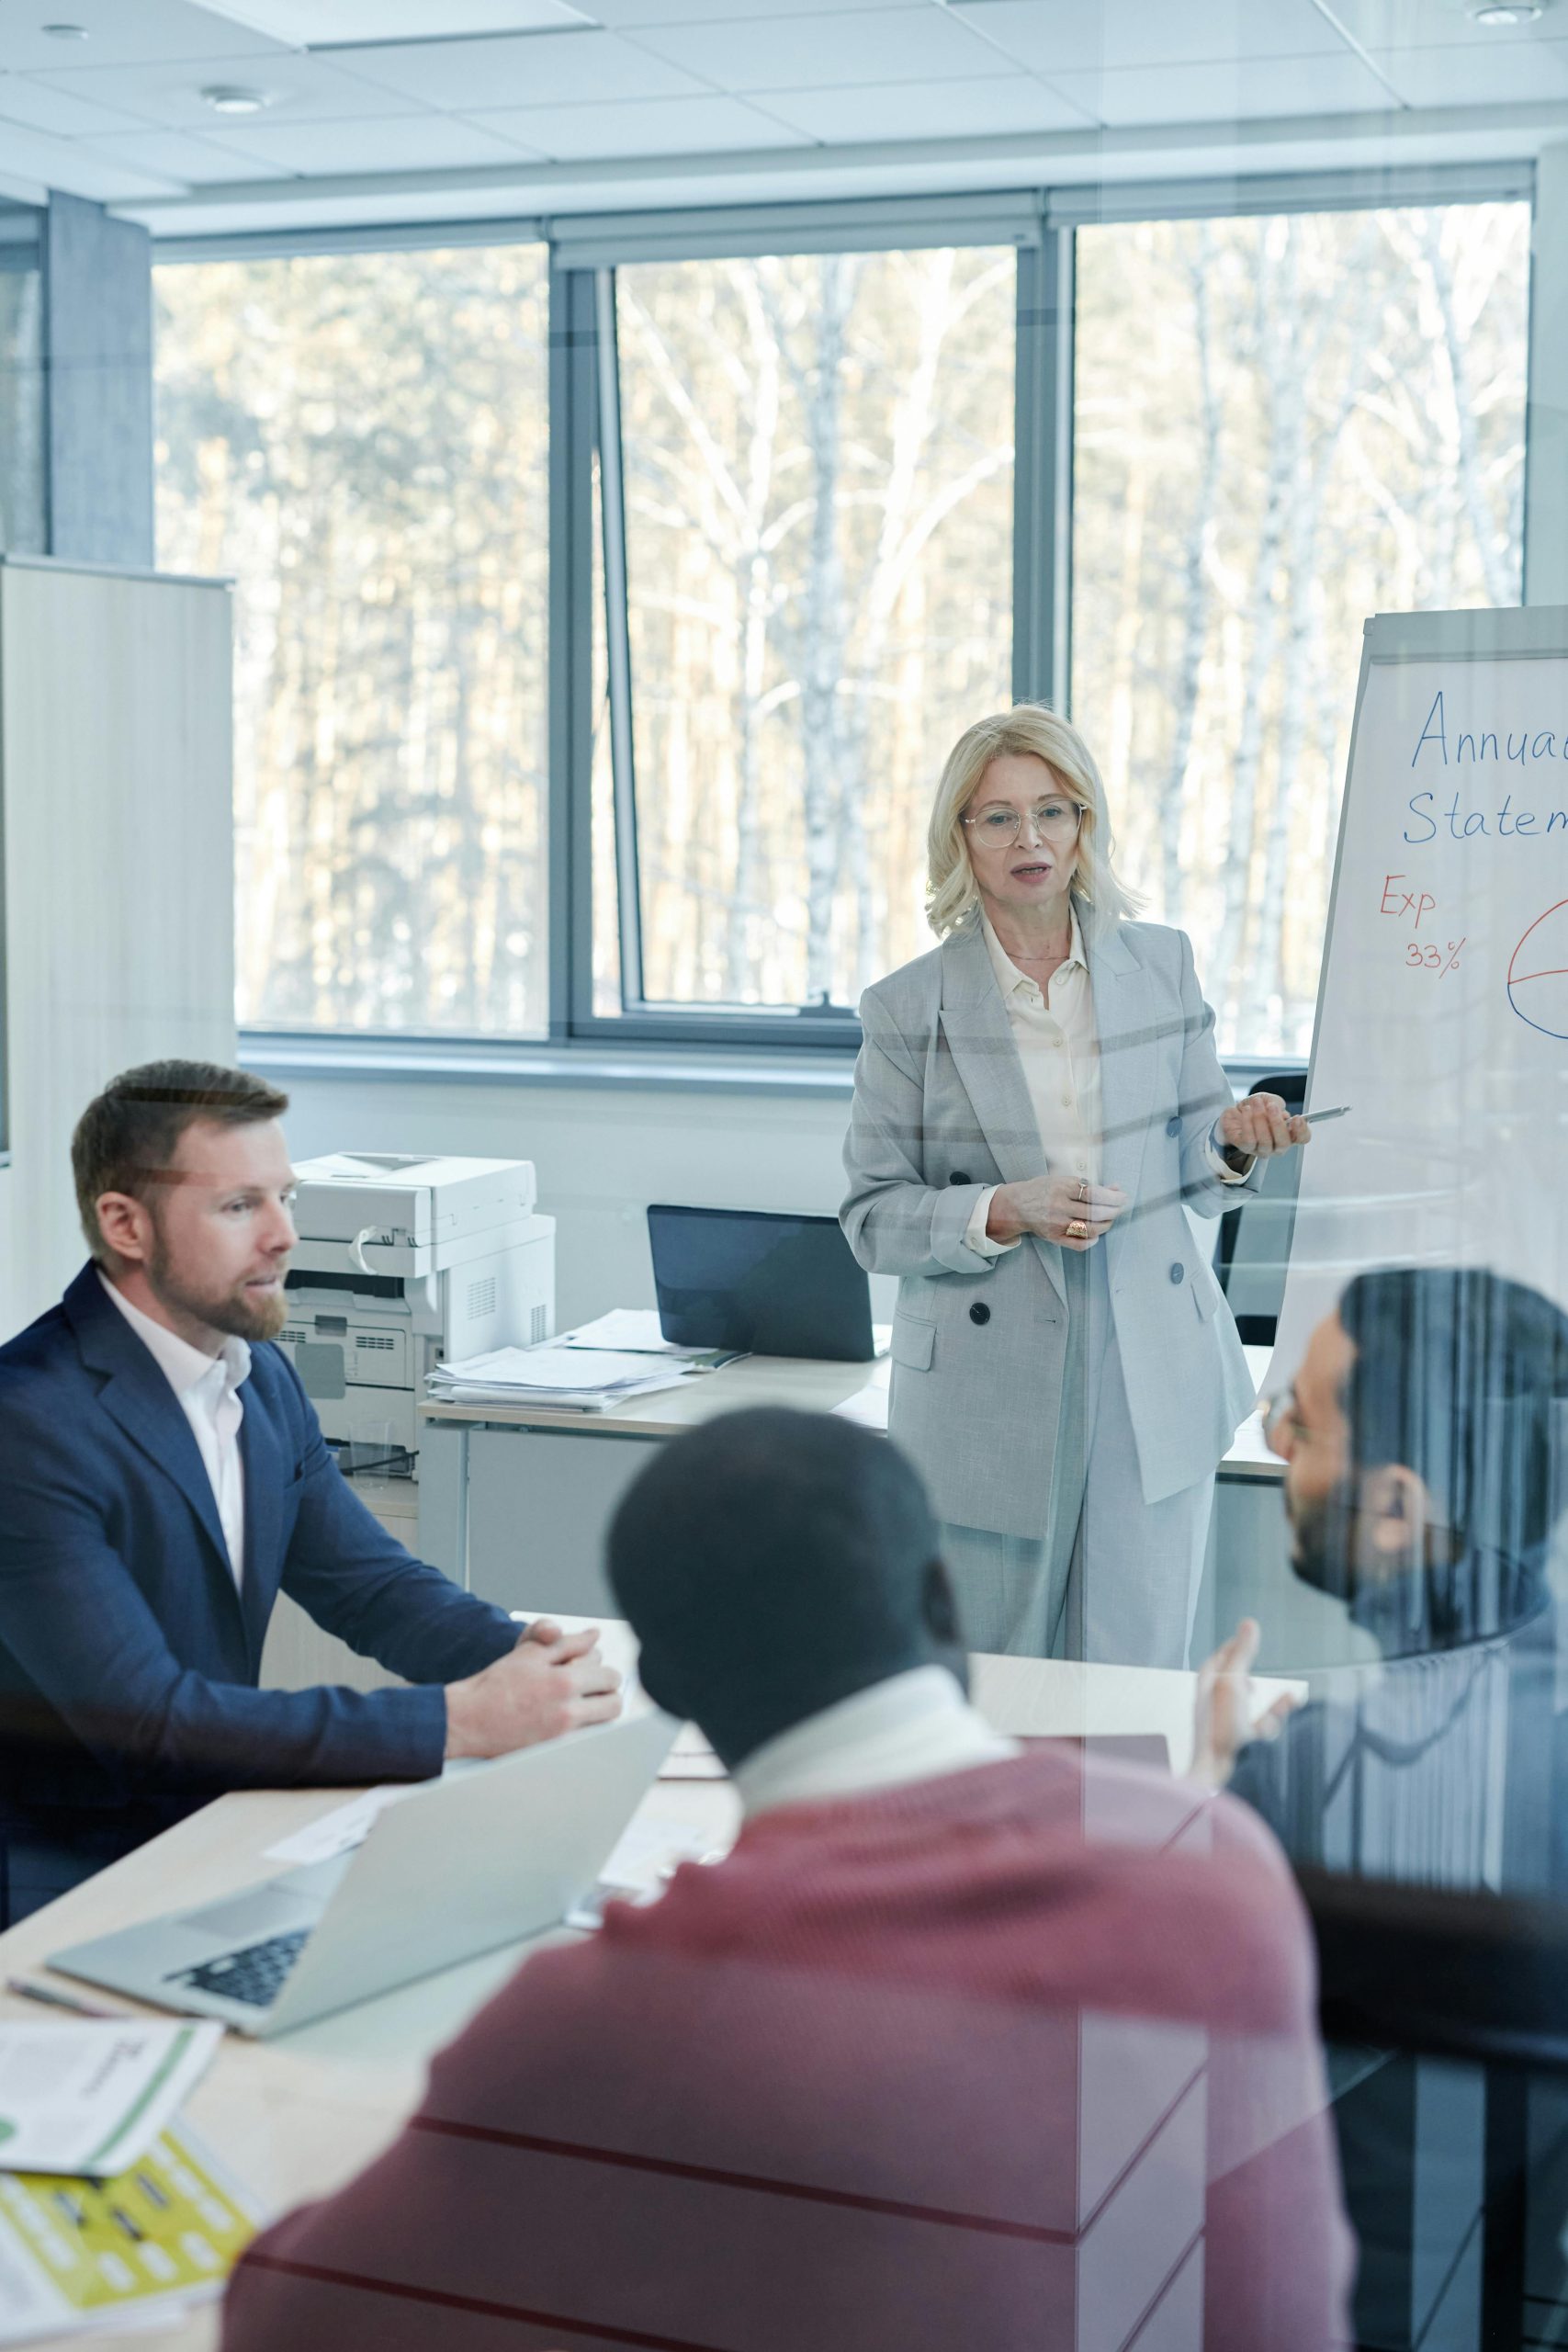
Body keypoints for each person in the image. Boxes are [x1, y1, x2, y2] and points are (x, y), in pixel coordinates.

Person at [222, 1408, 1354, 2352]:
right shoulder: (1221, 1866)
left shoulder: (606, 2019)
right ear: (945, 1604)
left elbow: (287, 2322)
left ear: (669, 1681)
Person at [0, 1061, 620, 1924]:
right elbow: (149, 1727)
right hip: (60, 1885)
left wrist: (531, 1660)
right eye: (239, 1205)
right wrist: (458, 1723)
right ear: (125, 1225)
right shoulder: (26, 1424)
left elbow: (372, 1589)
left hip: (218, 1826)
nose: (285, 1235)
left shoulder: (258, 1380)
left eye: (284, 1198)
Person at [840, 703, 1311, 1667]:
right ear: (959, 837)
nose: (1031, 838)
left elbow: (1196, 1158)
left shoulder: (1160, 964)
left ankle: (1129, 1825)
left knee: (1136, 1675)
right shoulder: (905, 1007)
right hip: (987, 1374)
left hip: (1150, 1357)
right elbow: (871, 1217)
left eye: (1053, 810)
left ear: (1084, 825)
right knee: (991, 1674)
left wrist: (1233, 1142)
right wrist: (1001, 1209)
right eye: (998, 816)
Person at [1191, 1264, 1568, 1895]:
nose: (1277, 1438)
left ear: (1394, 1508)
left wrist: (1219, 1771)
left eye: (1301, 1421)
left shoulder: (1308, 1783)